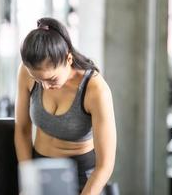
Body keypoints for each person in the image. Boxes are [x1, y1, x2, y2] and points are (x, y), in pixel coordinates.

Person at [14, 17, 117, 195]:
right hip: (40, 171)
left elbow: (105, 165)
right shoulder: (26, 72)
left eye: (51, 79)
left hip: (82, 179)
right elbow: (22, 129)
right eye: (38, 79)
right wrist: (28, 182)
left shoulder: (96, 90)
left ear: (68, 58)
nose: (45, 86)